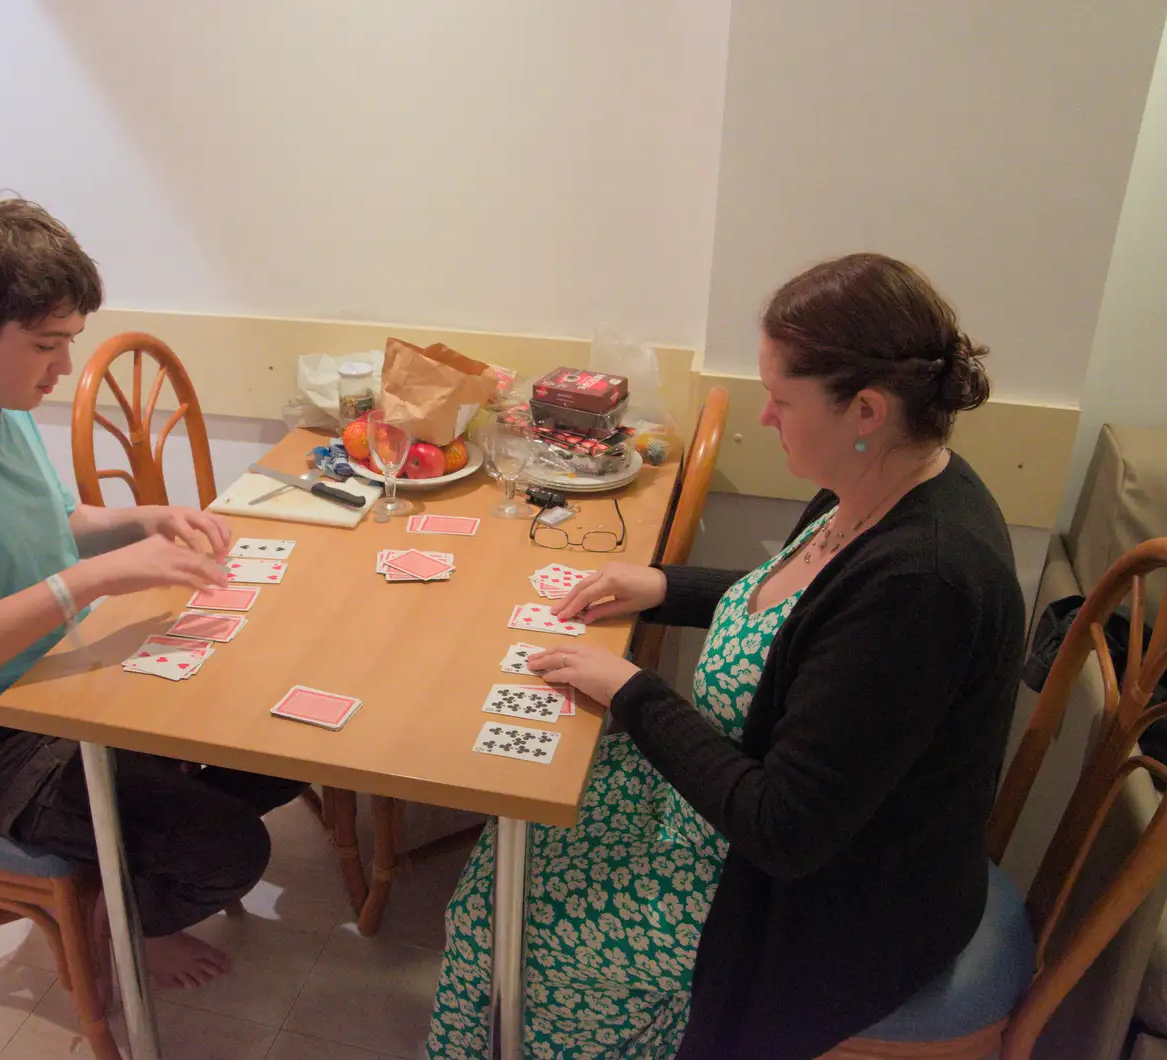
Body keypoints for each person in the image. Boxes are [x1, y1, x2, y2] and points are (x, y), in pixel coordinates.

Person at [426, 253, 1026, 1059]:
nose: (767, 417)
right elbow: (808, 612)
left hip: (817, 903)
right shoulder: (888, 483)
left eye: (782, 399)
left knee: (514, 922)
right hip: (746, 830)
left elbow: (784, 829)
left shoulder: (924, 586)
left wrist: (635, 691)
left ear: (867, 410)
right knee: (513, 852)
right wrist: (664, 586)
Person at [0, 196, 308, 991]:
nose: (62, 369)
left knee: (286, 744)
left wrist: (143, 521)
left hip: (56, 681)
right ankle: (117, 924)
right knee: (228, 848)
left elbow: (57, 520)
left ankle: (129, 871)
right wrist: (89, 580)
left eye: (69, 343)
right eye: (46, 345)